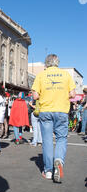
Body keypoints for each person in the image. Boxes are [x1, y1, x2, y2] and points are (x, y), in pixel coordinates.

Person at [32, 54, 76, 182]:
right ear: (58, 63)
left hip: (46, 111)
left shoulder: (41, 75)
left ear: (46, 63)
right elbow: (73, 94)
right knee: (61, 138)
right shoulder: (66, 75)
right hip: (61, 110)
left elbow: (35, 96)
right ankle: (59, 160)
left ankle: (48, 171)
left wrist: (46, 95)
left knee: (47, 141)